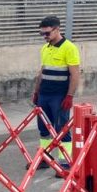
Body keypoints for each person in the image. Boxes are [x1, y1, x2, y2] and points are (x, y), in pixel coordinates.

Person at [32, 16, 80, 169]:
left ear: (57, 29)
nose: (45, 37)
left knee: (62, 129)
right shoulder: (45, 48)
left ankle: (65, 163)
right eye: (42, 34)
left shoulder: (69, 48)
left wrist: (70, 96)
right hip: (44, 95)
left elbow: (75, 75)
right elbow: (42, 72)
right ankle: (45, 158)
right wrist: (36, 91)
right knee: (43, 128)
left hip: (59, 96)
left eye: (47, 33)